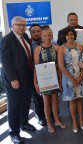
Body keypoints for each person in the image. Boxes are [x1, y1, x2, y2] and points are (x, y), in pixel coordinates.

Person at [1, 16, 36, 144]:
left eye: (23, 25)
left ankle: (24, 123)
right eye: (18, 25)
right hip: (14, 81)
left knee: (26, 102)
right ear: (12, 26)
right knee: (14, 106)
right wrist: (13, 79)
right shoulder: (6, 40)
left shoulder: (25, 37)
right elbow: (6, 62)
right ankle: (14, 132)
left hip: (27, 77)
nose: (21, 27)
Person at [33, 28, 66, 133]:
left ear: (52, 36)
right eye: (45, 36)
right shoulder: (37, 49)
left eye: (49, 35)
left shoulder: (57, 48)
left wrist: (60, 81)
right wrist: (35, 82)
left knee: (55, 101)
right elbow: (36, 67)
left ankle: (56, 120)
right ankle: (49, 124)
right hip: (43, 80)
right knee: (46, 102)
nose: (48, 37)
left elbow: (60, 67)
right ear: (42, 37)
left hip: (54, 78)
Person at [58, 27, 83, 133]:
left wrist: (81, 76)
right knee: (72, 100)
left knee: (79, 99)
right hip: (68, 79)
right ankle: (74, 122)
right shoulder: (61, 48)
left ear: (74, 35)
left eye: (72, 34)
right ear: (64, 36)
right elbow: (61, 66)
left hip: (80, 77)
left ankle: (81, 120)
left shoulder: (80, 46)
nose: (70, 36)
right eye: (68, 35)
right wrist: (72, 79)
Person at [29, 23, 47, 127]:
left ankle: (51, 114)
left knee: (50, 94)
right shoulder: (28, 43)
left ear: (41, 31)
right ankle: (40, 116)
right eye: (33, 32)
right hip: (33, 73)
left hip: (48, 73)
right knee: (37, 96)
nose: (36, 33)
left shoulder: (48, 41)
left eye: (38, 31)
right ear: (30, 34)